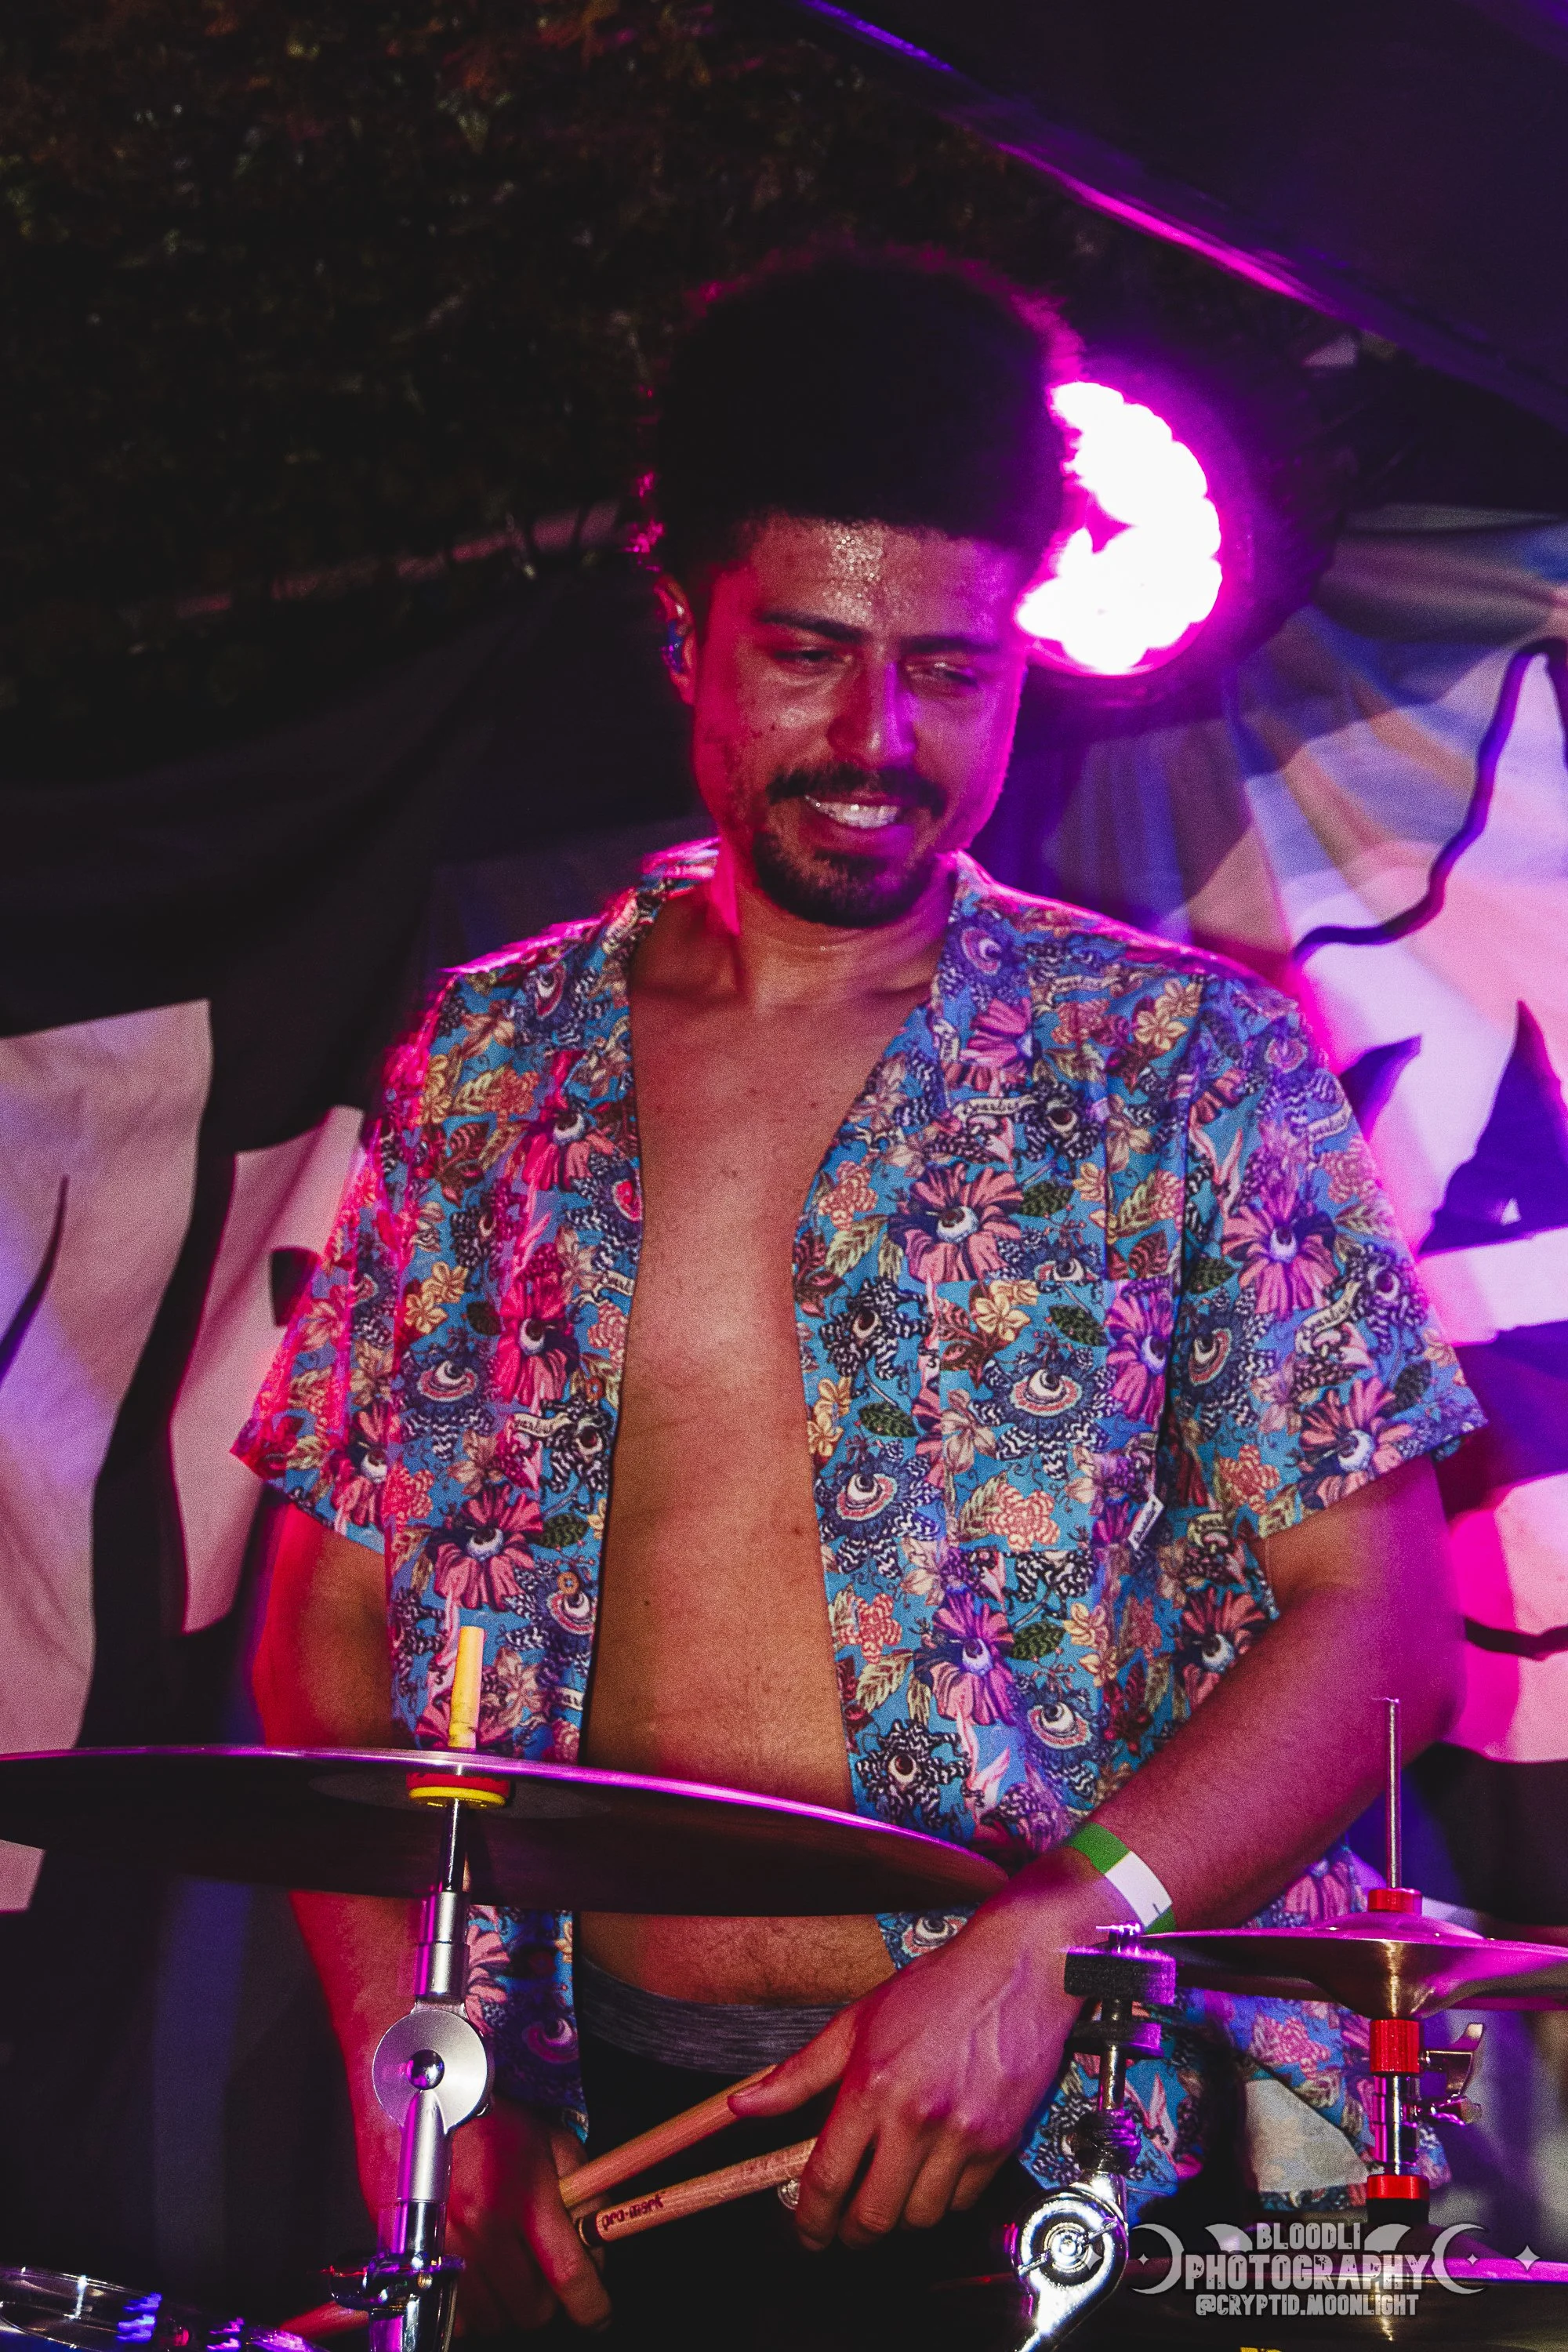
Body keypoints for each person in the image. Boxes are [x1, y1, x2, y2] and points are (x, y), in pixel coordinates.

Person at [238, 250, 1482, 2344]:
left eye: (951, 670)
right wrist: (411, 2070)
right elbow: (334, 1626)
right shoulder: (494, 1067)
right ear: (686, 635)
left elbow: (1385, 1630)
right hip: (598, 2152)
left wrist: (1056, 1936)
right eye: (809, 654)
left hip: (1075, 2145)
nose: (878, 738)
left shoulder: (1176, 1062)